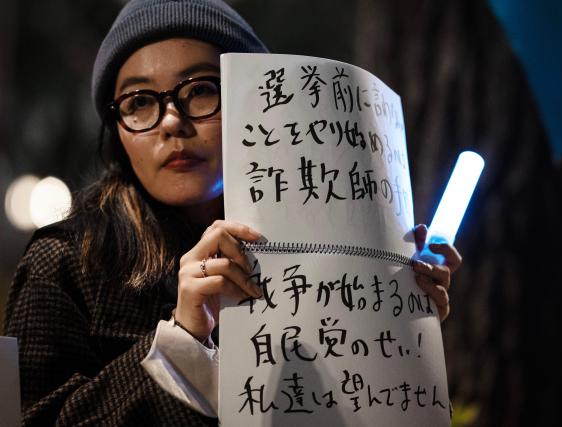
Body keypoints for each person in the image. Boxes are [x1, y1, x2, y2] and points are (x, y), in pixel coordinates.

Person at [3, 0, 462, 425]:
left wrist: (402, 330)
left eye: (201, 90)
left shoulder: (326, 248)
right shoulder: (64, 262)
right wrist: (182, 344)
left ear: (261, 103)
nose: (171, 121)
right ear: (117, 129)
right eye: (139, 102)